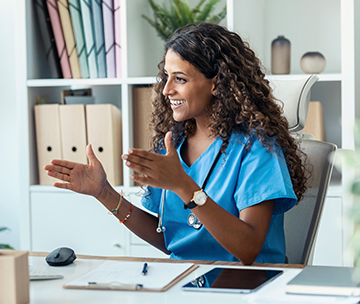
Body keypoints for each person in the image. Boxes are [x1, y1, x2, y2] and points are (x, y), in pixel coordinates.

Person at [44, 23, 307, 265]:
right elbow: (173, 241)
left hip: (245, 286)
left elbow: (248, 249)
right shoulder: (174, 143)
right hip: (184, 282)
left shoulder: (256, 147)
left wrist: (183, 185)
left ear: (216, 84)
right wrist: (104, 192)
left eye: (180, 79)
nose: (166, 89)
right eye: (166, 77)